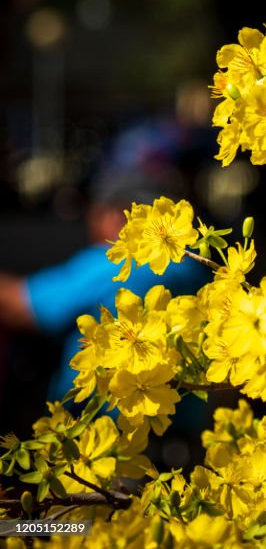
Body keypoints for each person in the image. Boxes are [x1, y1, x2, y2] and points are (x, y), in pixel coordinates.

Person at [0, 168, 210, 402]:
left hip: (109, 426)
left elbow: (21, 305)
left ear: (116, 215)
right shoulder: (195, 268)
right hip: (185, 428)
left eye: (94, 213)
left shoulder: (109, 266)